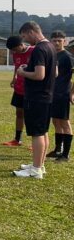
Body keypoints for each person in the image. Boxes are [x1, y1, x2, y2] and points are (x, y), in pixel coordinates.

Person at [13, 21, 56, 179]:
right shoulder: (50, 46)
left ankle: (36, 169)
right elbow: (53, 72)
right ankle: (40, 164)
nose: (25, 40)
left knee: (37, 133)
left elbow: (39, 75)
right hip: (46, 96)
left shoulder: (39, 49)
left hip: (37, 97)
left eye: (24, 36)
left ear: (31, 32)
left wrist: (22, 72)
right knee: (43, 132)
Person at [3, 35, 33, 147]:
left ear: (21, 45)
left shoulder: (34, 51)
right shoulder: (16, 53)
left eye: (15, 49)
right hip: (19, 88)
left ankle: (35, 142)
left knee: (31, 115)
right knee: (19, 113)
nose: (14, 52)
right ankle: (17, 139)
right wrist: (14, 77)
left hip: (31, 89)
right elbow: (17, 66)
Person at [48, 31, 73, 161]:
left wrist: (72, 93)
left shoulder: (68, 57)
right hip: (52, 93)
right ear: (50, 41)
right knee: (55, 121)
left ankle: (66, 154)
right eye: (54, 40)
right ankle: (58, 150)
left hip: (62, 94)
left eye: (59, 40)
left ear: (65, 41)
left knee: (64, 122)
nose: (57, 43)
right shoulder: (52, 55)